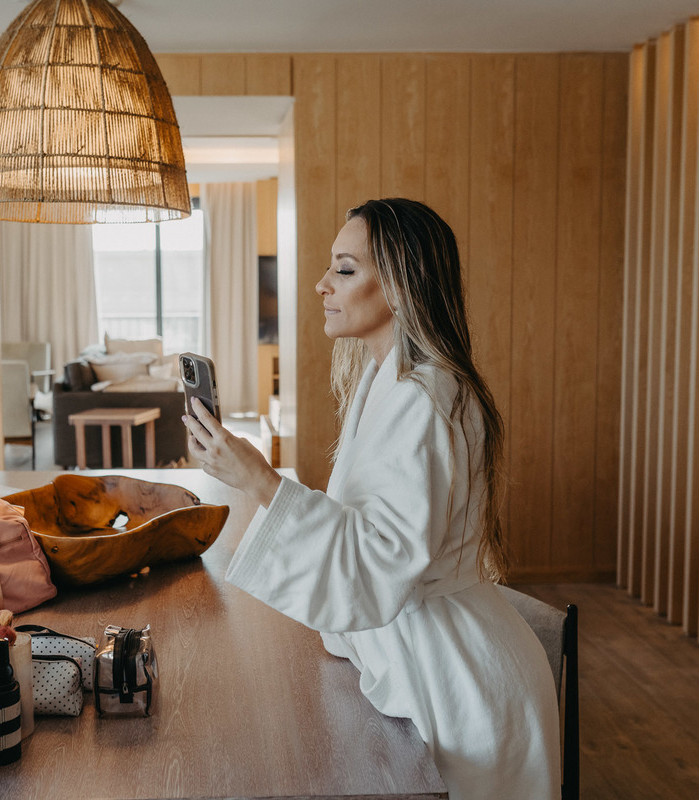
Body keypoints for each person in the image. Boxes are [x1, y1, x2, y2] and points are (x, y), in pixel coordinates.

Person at [182, 198, 560, 800]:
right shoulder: (390, 382)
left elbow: (380, 559)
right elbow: (365, 532)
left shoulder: (424, 397)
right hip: (431, 650)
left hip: (455, 681)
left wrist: (258, 479)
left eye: (345, 269)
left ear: (400, 286)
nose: (321, 284)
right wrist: (250, 475)